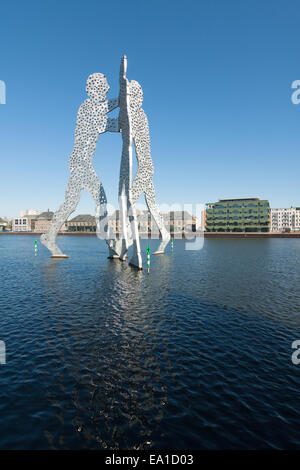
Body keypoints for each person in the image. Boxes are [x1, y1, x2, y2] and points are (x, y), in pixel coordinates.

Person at [41, 73, 119, 257]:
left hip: (81, 162)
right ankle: (112, 245)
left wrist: (122, 102)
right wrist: (123, 101)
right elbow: (106, 123)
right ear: (93, 89)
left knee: (73, 203)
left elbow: (107, 116)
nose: (107, 89)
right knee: (99, 202)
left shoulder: (93, 107)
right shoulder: (87, 107)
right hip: (80, 163)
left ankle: (50, 237)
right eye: (104, 86)